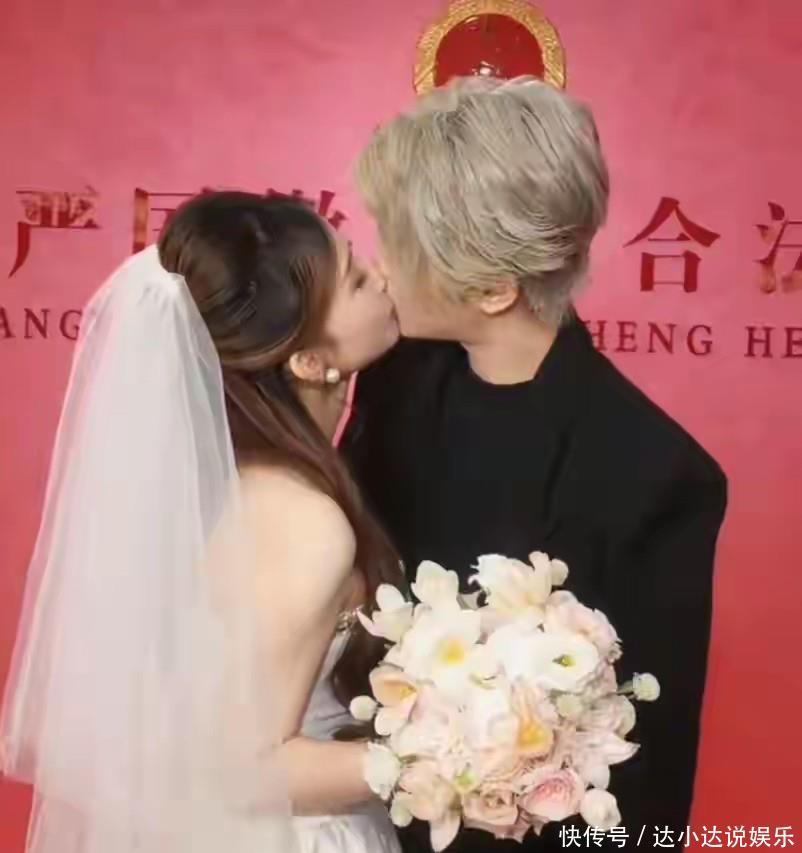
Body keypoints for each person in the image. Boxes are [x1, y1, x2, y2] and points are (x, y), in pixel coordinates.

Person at [343, 76, 728, 851]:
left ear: (492, 288)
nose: (379, 267)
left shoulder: (655, 474)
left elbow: (646, 798)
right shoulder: (393, 375)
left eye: (398, 247)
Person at [0, 191, 403, 853]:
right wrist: (440, 759)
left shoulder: (226, 475)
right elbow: (241, 769)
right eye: (357, 280)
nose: (382, 277)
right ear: (307, 360)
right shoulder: (302, 518)